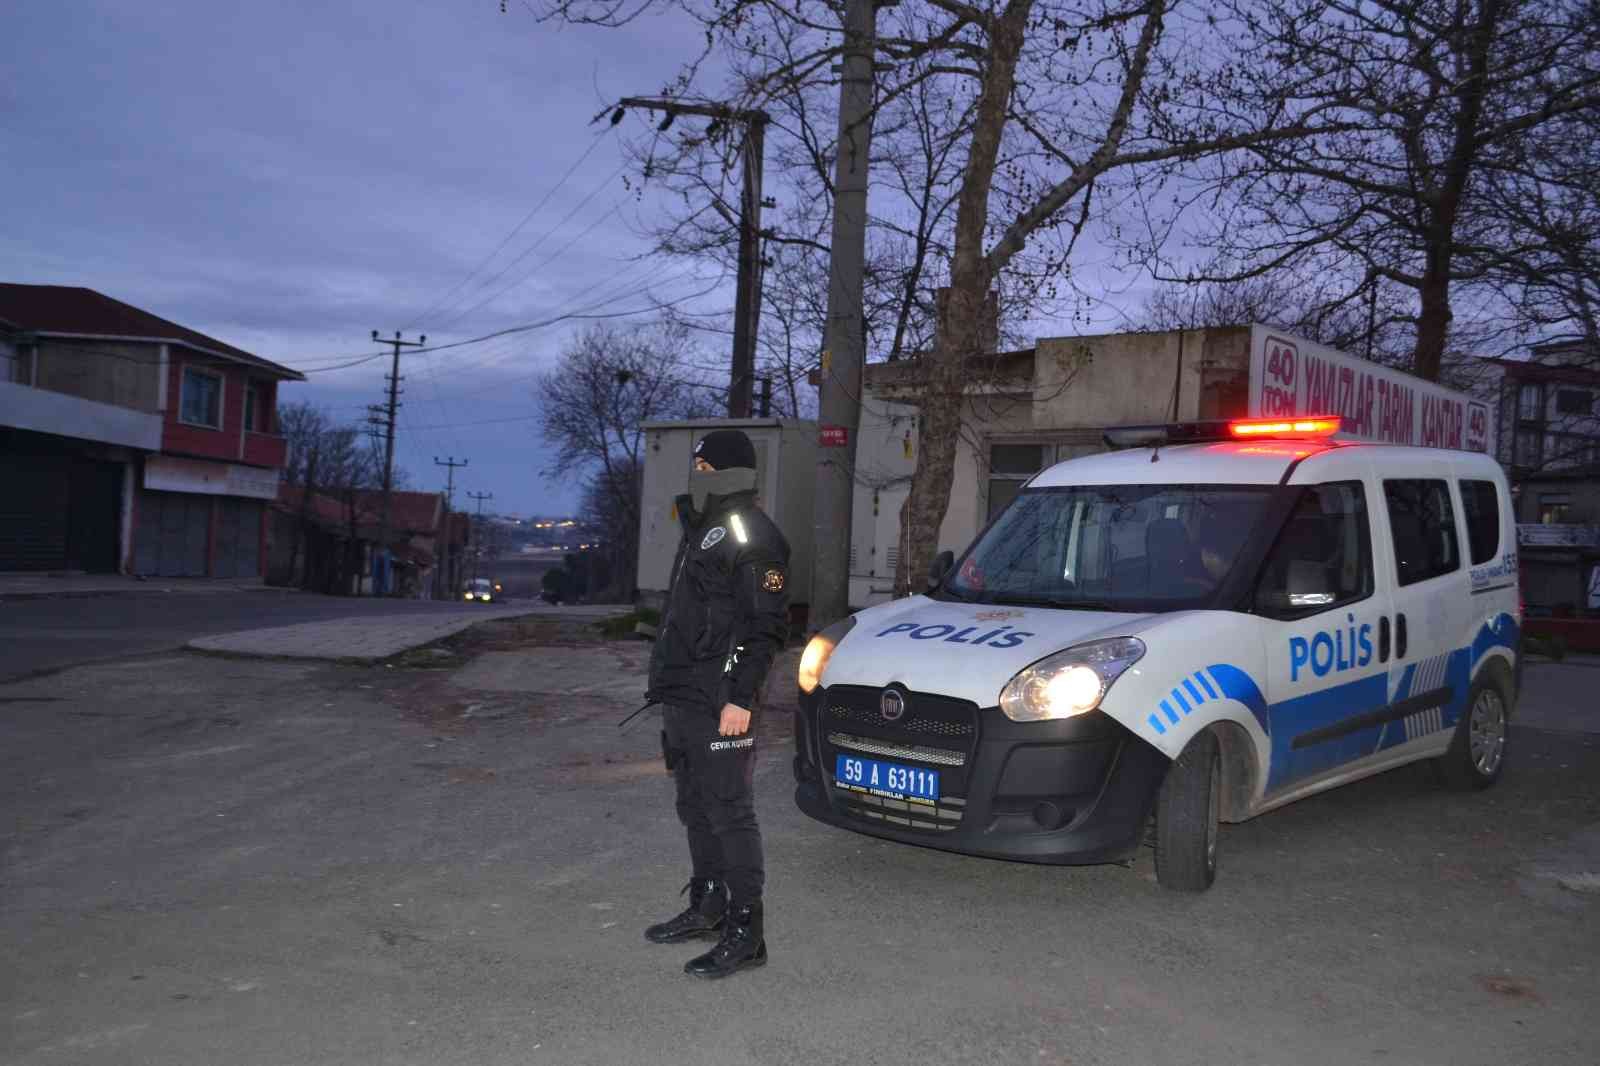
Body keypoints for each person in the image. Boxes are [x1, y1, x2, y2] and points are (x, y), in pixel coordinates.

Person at [643, 428, 790, 979]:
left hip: (721, 700)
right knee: (695, 804)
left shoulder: (750, 532)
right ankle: (708, 905)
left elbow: (766, 627)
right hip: (685, 694)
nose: (696, 473)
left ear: (731, 472)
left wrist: (741, 698)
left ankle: (747, 932)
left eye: (705, 466)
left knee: (730, 810)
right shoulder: (704, 527)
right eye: (695, 465)